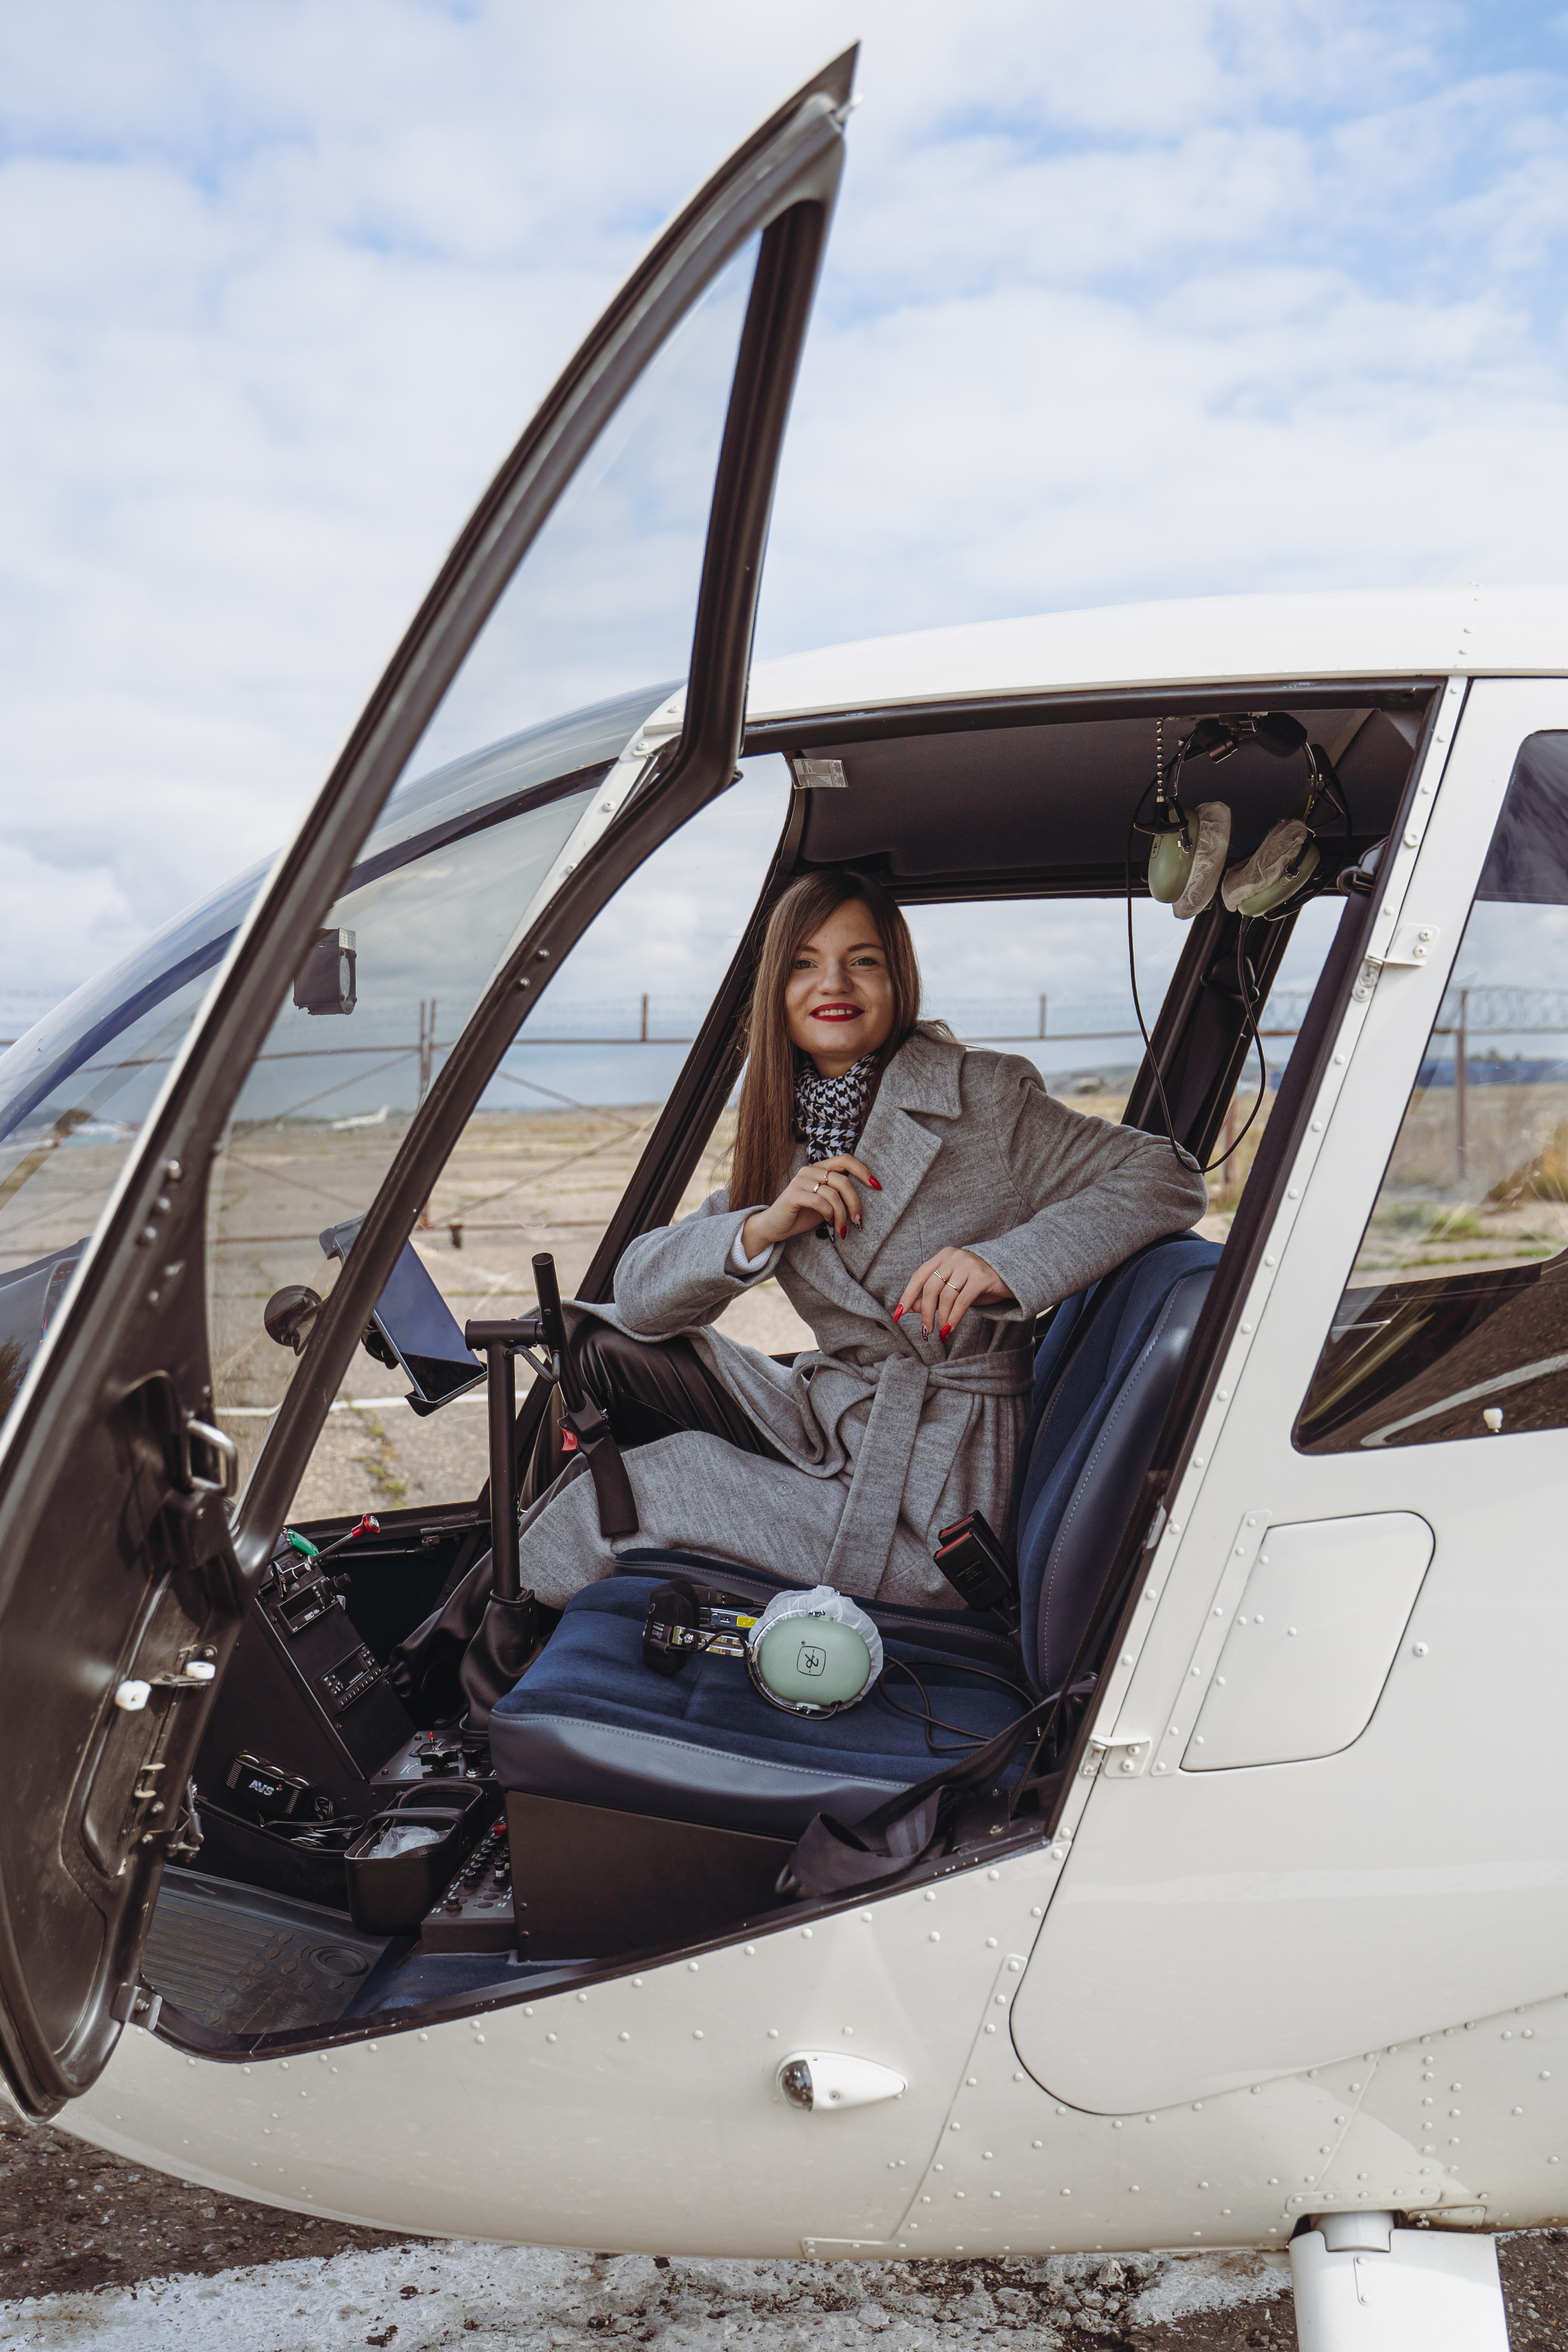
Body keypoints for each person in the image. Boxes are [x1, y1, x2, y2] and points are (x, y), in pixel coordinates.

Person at [510, 865, 1208, 1611]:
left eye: (861, 961)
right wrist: (762, 1225)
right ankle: (495, 1612)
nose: (832, 983)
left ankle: (476, 1664)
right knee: (598, 1346)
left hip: (937, 1491)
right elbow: (642, 1298)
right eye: (805, 964)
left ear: (897, 978)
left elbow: (1168, 1176)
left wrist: (1004, 1263)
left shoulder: (981, 1097)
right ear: (776, 990)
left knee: (633, 1491)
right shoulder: (785, 1143)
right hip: (835, 1423)